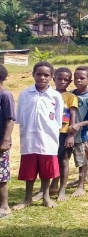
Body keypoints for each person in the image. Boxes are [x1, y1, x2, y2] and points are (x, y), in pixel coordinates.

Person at [13, 61, 63, 210]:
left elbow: (58, 120)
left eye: (46, 75)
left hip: (48, 139)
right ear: (33, 75)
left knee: (46, 171)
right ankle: (27, 198)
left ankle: (46, 196)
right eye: (39, 74)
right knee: (29, 170)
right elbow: (20, 117)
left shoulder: (55, 96)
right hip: (28, 138)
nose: (42, 78)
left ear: (51, 77)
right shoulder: (25, 94)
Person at [68, 66, 88, 197]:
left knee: (82, 162)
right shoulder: (71, 94)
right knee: (62, 160)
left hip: (80, 136)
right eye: (76, 78)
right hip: (66, 134)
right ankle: (56, 185)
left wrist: (79, 124)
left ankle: (81, 184)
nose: (78, 80)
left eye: (82, 78)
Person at [52, 67, 78, 202]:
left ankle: (62, 189)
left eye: (66, 80)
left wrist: (71, 135)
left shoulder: (71, 97)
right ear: (53, 79)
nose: (62, 81)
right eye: (59, 79)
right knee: (51, 160)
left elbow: (73, 116)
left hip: (64, 133)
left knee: (63, 161)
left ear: (70, 82)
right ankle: (49, 187)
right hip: (49, 133)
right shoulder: (48, 94)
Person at [0, 65, 15, 219]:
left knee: (1, 176)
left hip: (1, 142)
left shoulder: (5, 95)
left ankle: (4, 207)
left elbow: (10, 119)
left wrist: (5, 140)